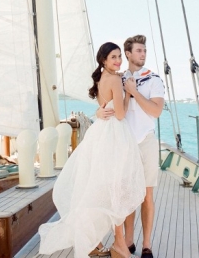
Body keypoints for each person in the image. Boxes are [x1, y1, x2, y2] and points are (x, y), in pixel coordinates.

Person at [38, 42, 145, 258]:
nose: (117, 61)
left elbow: (104, 106)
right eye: (113, 57)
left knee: (99, 186)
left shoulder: (100, 78)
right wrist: (128, 94)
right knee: (117, 186)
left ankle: (105, 241)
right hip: (115, 134)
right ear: (103, 60)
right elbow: (122, 114)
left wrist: (101, 109)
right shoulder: (115, 79)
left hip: (100, 133)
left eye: (119, 57)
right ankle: (118, 242)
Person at [98, 35, 164, 258]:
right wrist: (98, 112)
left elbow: (156, 111)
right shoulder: (117, 77)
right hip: (123, 145)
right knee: (125, 195)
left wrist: (134, 92)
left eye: (144, 50)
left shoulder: (154, 79)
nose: (143, 54)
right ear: (128, 54)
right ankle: (128, 242)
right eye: (138, 51)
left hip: (145, 142)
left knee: (146, 195)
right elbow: (106, 103)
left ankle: (146, 245)